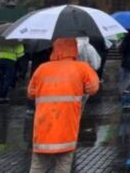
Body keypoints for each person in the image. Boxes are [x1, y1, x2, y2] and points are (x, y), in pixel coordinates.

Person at [27, 38, 100, 173]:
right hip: (67, 127)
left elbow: (31, 93)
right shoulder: (82, 68)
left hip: (43, 128)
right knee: (63, 166)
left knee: (37, 166)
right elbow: (93, 88)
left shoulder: (42, 69)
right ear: (74, 50)